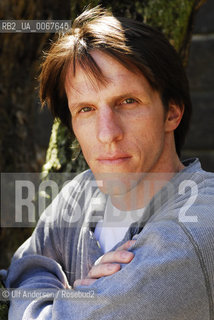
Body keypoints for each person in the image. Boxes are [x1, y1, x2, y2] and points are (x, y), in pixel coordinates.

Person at [4, 6, 214, 320]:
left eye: (128, 102)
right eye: (86, 109)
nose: (107, 133)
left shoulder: (197, 226)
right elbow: (23, 270)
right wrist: (76, 298)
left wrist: (63, 301)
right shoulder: (81, 194)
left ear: (172, 112)